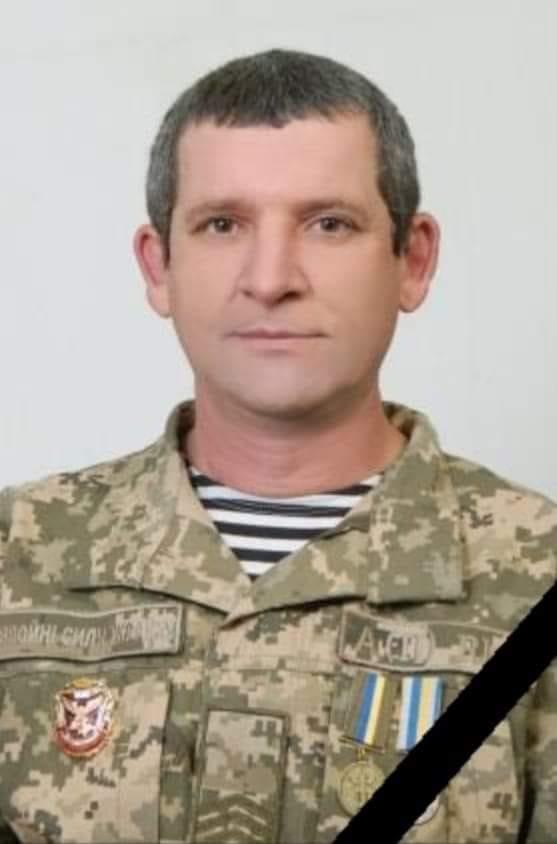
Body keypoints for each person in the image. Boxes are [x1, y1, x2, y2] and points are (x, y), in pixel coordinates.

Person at [0, 47, 555, 844]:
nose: (270, 278)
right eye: (222, 225)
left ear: (412, 260)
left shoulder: (537, 570)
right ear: (159, 267)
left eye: (329, 224)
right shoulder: (18, 554)